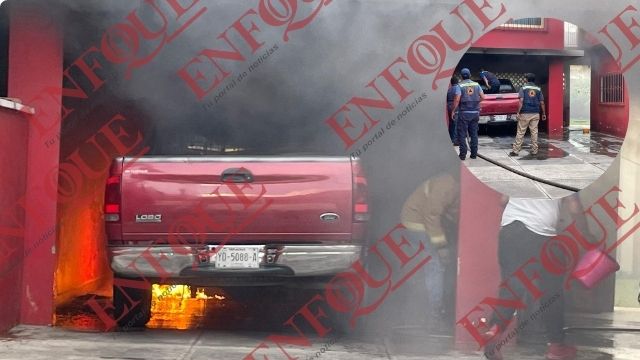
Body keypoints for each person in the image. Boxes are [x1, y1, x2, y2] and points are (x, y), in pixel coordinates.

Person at [483, 196, 587, 360]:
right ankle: (556, 346)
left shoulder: (519, 169)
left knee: (511, 287)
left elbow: (502, 199)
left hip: (509, 232)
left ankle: (495, 329)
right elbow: (574, 206)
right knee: (552, 292)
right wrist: (585, 234)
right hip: (541, 236)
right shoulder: (565, 172)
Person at [400, 171, 459, 332]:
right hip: (417, 223)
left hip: (419, 222)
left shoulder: (452, 186)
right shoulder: (447, 186)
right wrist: (441, 247)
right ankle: (434, 315)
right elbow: (432, 215)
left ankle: (425, 312)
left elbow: (451, 212)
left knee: (429, 267)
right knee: (435, 267)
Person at [451, 68, 485, 160]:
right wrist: (476, 103)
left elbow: (457, 99)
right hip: (475, 113)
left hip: (464, 113)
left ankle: (462, 155)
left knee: (462, 134)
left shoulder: (459, 86)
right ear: (470, 75)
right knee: (474, 133)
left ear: (461, 76)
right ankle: (474, 154)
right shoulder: (476, 85)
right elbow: (483, 97)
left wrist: (453, 110)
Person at [510, 73, 546, 157]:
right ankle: (534, 150)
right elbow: (542, 102)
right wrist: (543, 113)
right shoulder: (538, 89)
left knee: (521, 132)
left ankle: (515, 151)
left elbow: (521, 101)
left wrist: (518, 112)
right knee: (534, 132)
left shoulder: (523, 88)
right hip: (535, 113)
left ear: (526, 79)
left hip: (525, 113)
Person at [446, 76, 461, 146]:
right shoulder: (457, 88)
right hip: (454, 106)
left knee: (451, 124)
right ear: (457, 82)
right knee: (456, 124)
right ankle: (455, 140)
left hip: (449, 106)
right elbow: (457, 99)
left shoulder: (449, 89)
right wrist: (454, 109)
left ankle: (450, 139)